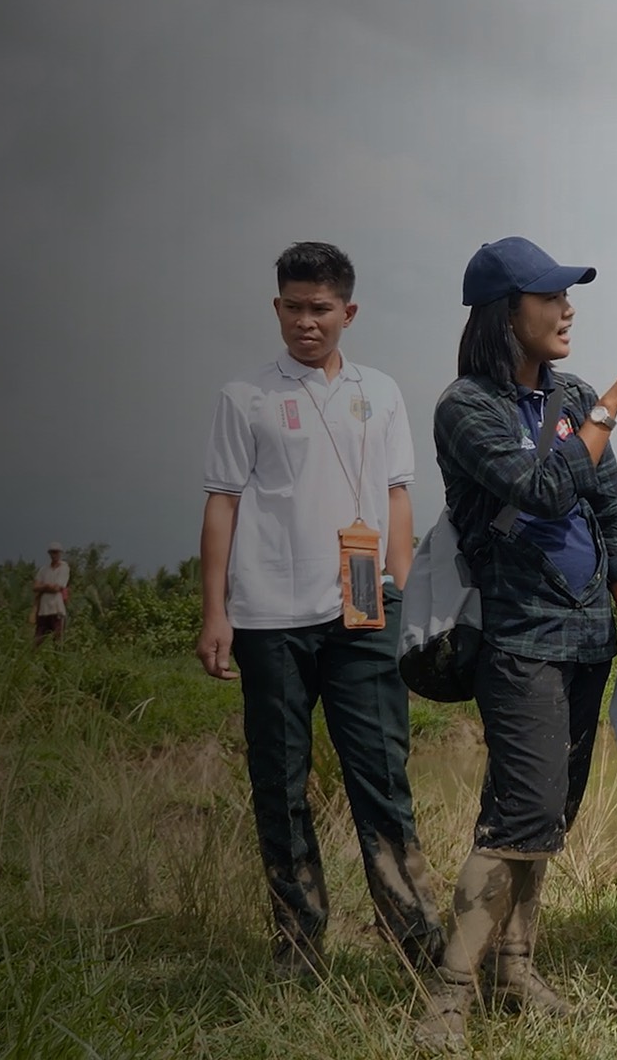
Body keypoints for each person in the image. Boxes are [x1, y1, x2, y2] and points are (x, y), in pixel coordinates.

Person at [415, 236, 617, 1052]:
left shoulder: (571, 393)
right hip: (518, 633)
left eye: (568, 296)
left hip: (590, 631)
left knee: (551, 810)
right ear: (504, 313)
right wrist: (611, 406)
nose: (567, 310)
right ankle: (448, 998)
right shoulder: (467, 408)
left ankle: (515, 970)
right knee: (518, 809)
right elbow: (547, 488)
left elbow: (605, 507)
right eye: (550, 297)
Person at [195, 241, 437, 978]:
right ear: (276, 308)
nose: (307, 322)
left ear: (348, 312)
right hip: (269, 618)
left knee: (382, 777)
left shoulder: (382, 392)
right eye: (294, 308)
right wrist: (216, 613)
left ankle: (416, 936)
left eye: (321, 309)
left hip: (363, 615)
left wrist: (404, 596)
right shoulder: (246, 397)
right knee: (281, 778)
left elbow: (399, 496)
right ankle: (298, 941)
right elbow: (222, 504)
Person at [32, 541, 70, 645]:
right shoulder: (43, 569)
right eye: (53, 552)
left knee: (57, 639)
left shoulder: (64, 568)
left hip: (57, 609)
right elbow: (35, 587)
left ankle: (57, 660)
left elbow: (57, 588)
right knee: (37, 639)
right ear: (49, 554)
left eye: (57, 552)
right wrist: (47, 586)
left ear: (60, 553)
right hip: (43, 610)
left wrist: (43, 587)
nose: (55, 555)